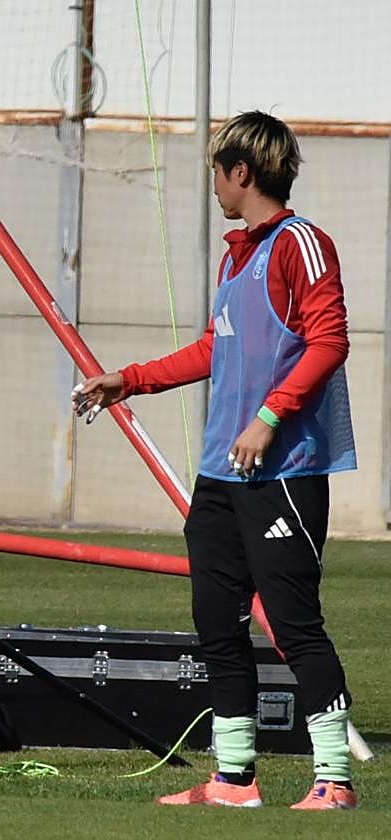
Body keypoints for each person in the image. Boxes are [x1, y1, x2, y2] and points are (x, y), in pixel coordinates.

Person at [73, 111, 357, 810]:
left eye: (216, 172)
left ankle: (335, 781)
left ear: (242, 172)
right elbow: (214, 348)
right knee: (216, 624)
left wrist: (267, 419)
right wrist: (128, 379)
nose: (212, 188)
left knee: (294, 625)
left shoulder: (302, 244)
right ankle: (234, 780)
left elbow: (329, 342)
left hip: (283, 474)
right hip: (220, 477)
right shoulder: (236, 257)